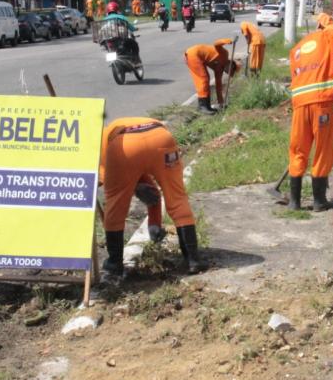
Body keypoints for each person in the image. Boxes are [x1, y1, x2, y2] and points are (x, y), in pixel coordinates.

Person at [98, 117, 207, 277]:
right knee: (177, 197)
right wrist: (154, 223)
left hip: (125, 146)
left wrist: (133, 187)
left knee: (116, 204)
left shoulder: (102, 143)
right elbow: (150, 189)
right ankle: (193, 260)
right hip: (161, 139)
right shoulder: (118, 125)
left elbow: (106, 179)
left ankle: (115, 263)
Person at [287, 27, 333, 212]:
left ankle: (294, 202)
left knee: (298, 149)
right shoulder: (330, 43)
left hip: (299, 105)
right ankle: (319, 201)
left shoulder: (298, 48)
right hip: (321, 105)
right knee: (322, 150)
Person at [185, 39, 240, 115]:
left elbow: (218, 85)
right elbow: (216, 44)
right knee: (203, 78)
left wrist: (221, 103)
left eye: (229, 73)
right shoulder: (224, 54)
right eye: (230, 71)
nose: (227, 72)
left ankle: (206, 106)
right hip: (194, 54)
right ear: (231, 65)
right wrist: (227, 41)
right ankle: (202, 107)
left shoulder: (220, 69)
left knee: (206, 78)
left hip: (199, 58)